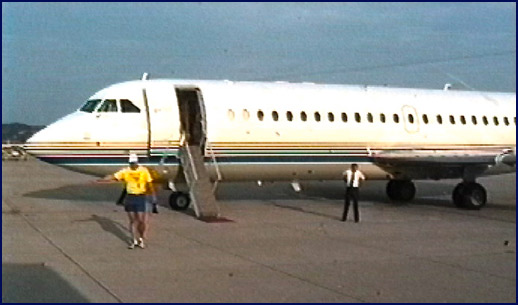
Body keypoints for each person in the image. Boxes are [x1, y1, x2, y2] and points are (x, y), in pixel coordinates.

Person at [101, 153, 157, 249]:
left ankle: (141, 238)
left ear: (137, 163)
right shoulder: (126, 171)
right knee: (132, 220)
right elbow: (115, 176)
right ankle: (134, 240)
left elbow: (149, 183)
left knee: (140, 220)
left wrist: (152, 196)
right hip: (130, 197)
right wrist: (103, 179)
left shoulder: (143, 171)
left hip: (140, 196)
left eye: (134, 163)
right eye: (131, 163)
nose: (133, 165)